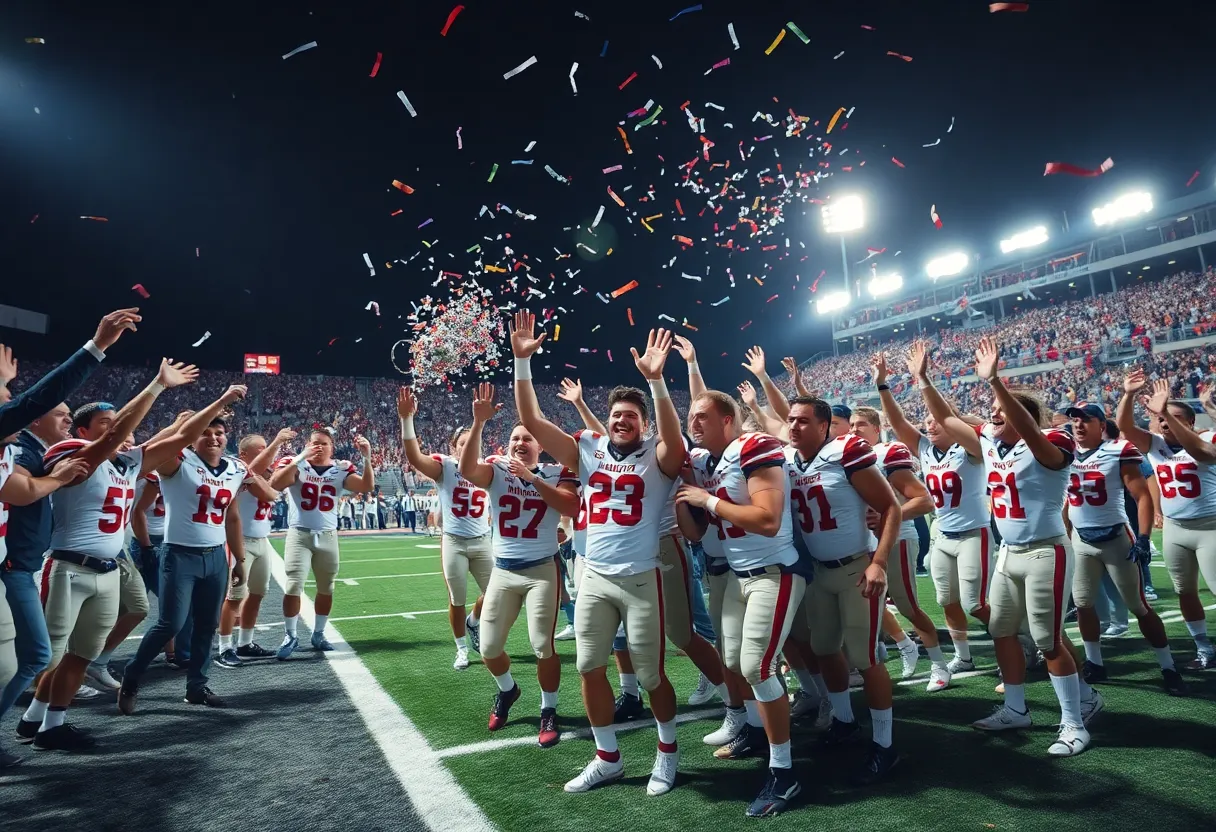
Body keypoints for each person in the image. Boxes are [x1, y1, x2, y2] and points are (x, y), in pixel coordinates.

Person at [511, 312, 685, 798]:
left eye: (631, 416)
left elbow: (674, 442)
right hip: (595, 578)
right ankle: (608, 757)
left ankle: (668, 752)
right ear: (605, 421)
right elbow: (533, 422)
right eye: (616, 415)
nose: (621, 421)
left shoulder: (659, 453)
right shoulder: (588, 447)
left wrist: (656, 382)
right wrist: (522, 363)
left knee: (650, 675)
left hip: (641, 577)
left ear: (644, 423)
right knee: (588, 666)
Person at [918, 336, 1097, 757]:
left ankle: (1075, 721)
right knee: (1001, 631)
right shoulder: (988, 442)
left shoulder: (1053, 440)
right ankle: (1016, 709)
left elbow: (1032, 435)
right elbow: (946, 417)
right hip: (1009, 554)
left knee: (1048, 640)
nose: (994, 414)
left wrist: (996, 382)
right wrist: (923, 379)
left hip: (1046, 551)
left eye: (1003, 410)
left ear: (1025, 416)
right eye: (994, 410)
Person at [19, 359, 206, 748]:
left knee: (82, 655)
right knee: (48, 655)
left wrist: (218, 404)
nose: (120, 430)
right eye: (107, 424)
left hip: (107, 569)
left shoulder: (128, 462)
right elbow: (115, 436)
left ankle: (47, 724)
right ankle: (29, 717)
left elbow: (180, 438)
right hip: (68, 566)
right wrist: (157, 385)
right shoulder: (70, 450)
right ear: (84, 431)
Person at [677, 390, 806, 818]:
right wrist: (684, 492)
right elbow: (696, 534)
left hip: (774, 570)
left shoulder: (754, 446)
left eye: (702, 416)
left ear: (728, 419)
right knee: (732, 659)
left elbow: (767, 520)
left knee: (757, 667)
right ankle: (757, 731)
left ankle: (784, 772)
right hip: (738, 575)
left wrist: (708, 500)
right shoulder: (712, 463)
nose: (694, 423)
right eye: (691, 416)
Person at [119, 383, 274, 712]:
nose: (214, 438)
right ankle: (132, 676)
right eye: (206, 432)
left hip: (215, 556)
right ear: (192, 437)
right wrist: (195, 416)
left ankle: (197, 687)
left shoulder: (234, 468)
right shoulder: (177, 461)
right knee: (171, 624)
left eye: (220, 433)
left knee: (207, 625)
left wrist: (239, 559)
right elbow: (153, 451)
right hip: (180, 555)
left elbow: (239, 513)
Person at [784, 395, 903, 790]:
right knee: (823, 648)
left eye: (803, 421)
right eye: (791, 420)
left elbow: (890, 507)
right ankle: (844, 721)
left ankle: (884, 744)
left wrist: (879, 562)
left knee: (865, 658)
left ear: (824, 426)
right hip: (819, 571)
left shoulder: (845, 451)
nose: (794, 426)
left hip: (855, 567)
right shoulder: (786, 461)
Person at [458, 383, 577, 747]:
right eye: (515, 438)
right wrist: (479, 423)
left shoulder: (557, 471)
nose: (520, 443)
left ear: (541, 445)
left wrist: (532, 478)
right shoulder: (497, 467)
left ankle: (548, 709)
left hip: (542, 569)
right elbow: (467, 470)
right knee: (489, 647)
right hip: (505, 570)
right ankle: (508, 689)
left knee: (542, 645)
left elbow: (570, 506)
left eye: (528, 438)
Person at [880, 343, 992, 675]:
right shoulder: (926, 449)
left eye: (936, 421)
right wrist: (882, 386)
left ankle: (1019, 641)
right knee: (947, 600)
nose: (929, 426)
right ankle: (963, 655)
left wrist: (923, 380)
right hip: (942, 534)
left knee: (976, 603)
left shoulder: (971, 448)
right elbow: (897, 421)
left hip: (973, 533)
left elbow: (945, 417)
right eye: (926, 422)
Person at [1063, 403, 1182, 694]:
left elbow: (1142, 496)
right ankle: (1095, 662)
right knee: (1083, 605)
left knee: (1138, 605)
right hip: (1081, 540)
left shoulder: (1118, 450)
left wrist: (1143, 537)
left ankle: (1168, 666)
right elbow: (1066, 501)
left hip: (1116, 537)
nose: (1078, 425)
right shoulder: (1065, 453)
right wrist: (1065, 535)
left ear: (1101, 425)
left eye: (1086, 420)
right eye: (1075, 420)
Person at [0, 423, 90, 765]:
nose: (67, 421)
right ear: (37, 419)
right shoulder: (23, 450)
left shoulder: (35, 451)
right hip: (15, 566)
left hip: (24, 564)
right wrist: (58, 478)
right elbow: (21, 493)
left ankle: (32, 720)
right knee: (36, 655)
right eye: (60, 414)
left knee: (32, 656)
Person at [1117, 371, 1216, 670]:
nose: (1163, 423)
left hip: (1210, 527)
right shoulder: (1155, 445)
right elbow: (1124, 426)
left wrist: (1167, 414)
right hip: (1176, 528)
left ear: (1190, 422)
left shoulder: (1207, 437)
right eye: (1159, 418)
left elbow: (1202, 453)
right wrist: (1128, 395)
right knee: (1184, 591)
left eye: (1171, 417)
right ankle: (1204, 648)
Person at [849, 404, 950, 691]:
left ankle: (939, 664)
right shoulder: (845, 456)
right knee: (867, 606)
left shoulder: (886, 453)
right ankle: (900, 647)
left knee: (907, 607)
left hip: (898, 539)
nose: (854, 430)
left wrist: (888, 517)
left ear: (876, 428)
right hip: (864, 544)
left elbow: (924, 500)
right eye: (852, 425)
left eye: (860, 425)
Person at [398, 388, 492, 670]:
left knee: (497, 596)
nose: (468, 446)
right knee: (457, 598)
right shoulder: (446, 467)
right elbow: (415, 458)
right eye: (462, 443)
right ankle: (461, 648)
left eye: (472, 441)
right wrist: (407, 420)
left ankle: (474, 622)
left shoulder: (488, 467)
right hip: (455, 542)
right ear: (454, 448)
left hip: (483, 540)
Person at [267, 428, 376, 659]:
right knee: (293, 585)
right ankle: (290, 635)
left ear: (332, 448)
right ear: (307, 444)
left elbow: (366, 486)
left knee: (326, 587)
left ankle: (318, 633)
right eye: (314, 443)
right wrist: (300, 458)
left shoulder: (341, 468)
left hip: (328, 535)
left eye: (324, 443)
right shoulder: (296, 463)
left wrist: (367, 457)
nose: (319, 447)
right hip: (299, 534)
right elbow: (275, 484)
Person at [214, 429, 295, 668]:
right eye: (261, 448)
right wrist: (277, 442)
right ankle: (224, 647)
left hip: (262, 540)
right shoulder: (237, 469)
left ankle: (245, 642)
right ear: (243, 453)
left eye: (266, 446)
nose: (266, 450)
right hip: (239, 540)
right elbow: (254, 469)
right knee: (234, 596)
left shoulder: (264, 472)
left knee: (258, 593)